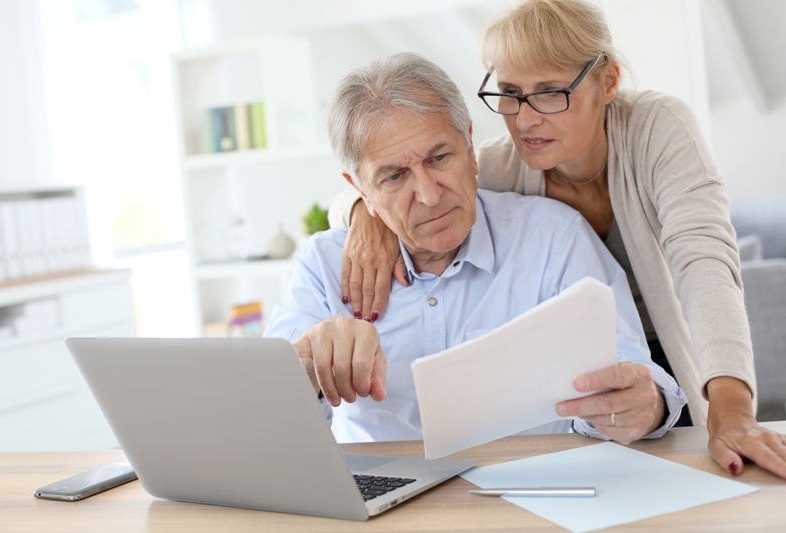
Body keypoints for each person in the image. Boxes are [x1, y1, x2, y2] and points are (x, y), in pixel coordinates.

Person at [329, 0, 786, 478]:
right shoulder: (504, 163)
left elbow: (705, 264)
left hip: (666, 360)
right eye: (509, 92)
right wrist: (367, 215)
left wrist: (732, 410)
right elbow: (379, 187)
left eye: (549, 92)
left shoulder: (657, 128)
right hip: (587, 368)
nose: (525, 121)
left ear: (607, 81)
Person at [264, 51, 685, 446]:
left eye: (439, 157)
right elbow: (267, 414)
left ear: (469, 146)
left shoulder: (555, 240)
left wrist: (644, 407)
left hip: (533, 499)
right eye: (394, 177)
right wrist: (308, 363)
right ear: (360, 191)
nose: (429, 195)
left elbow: (631, 368)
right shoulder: (322, 267)